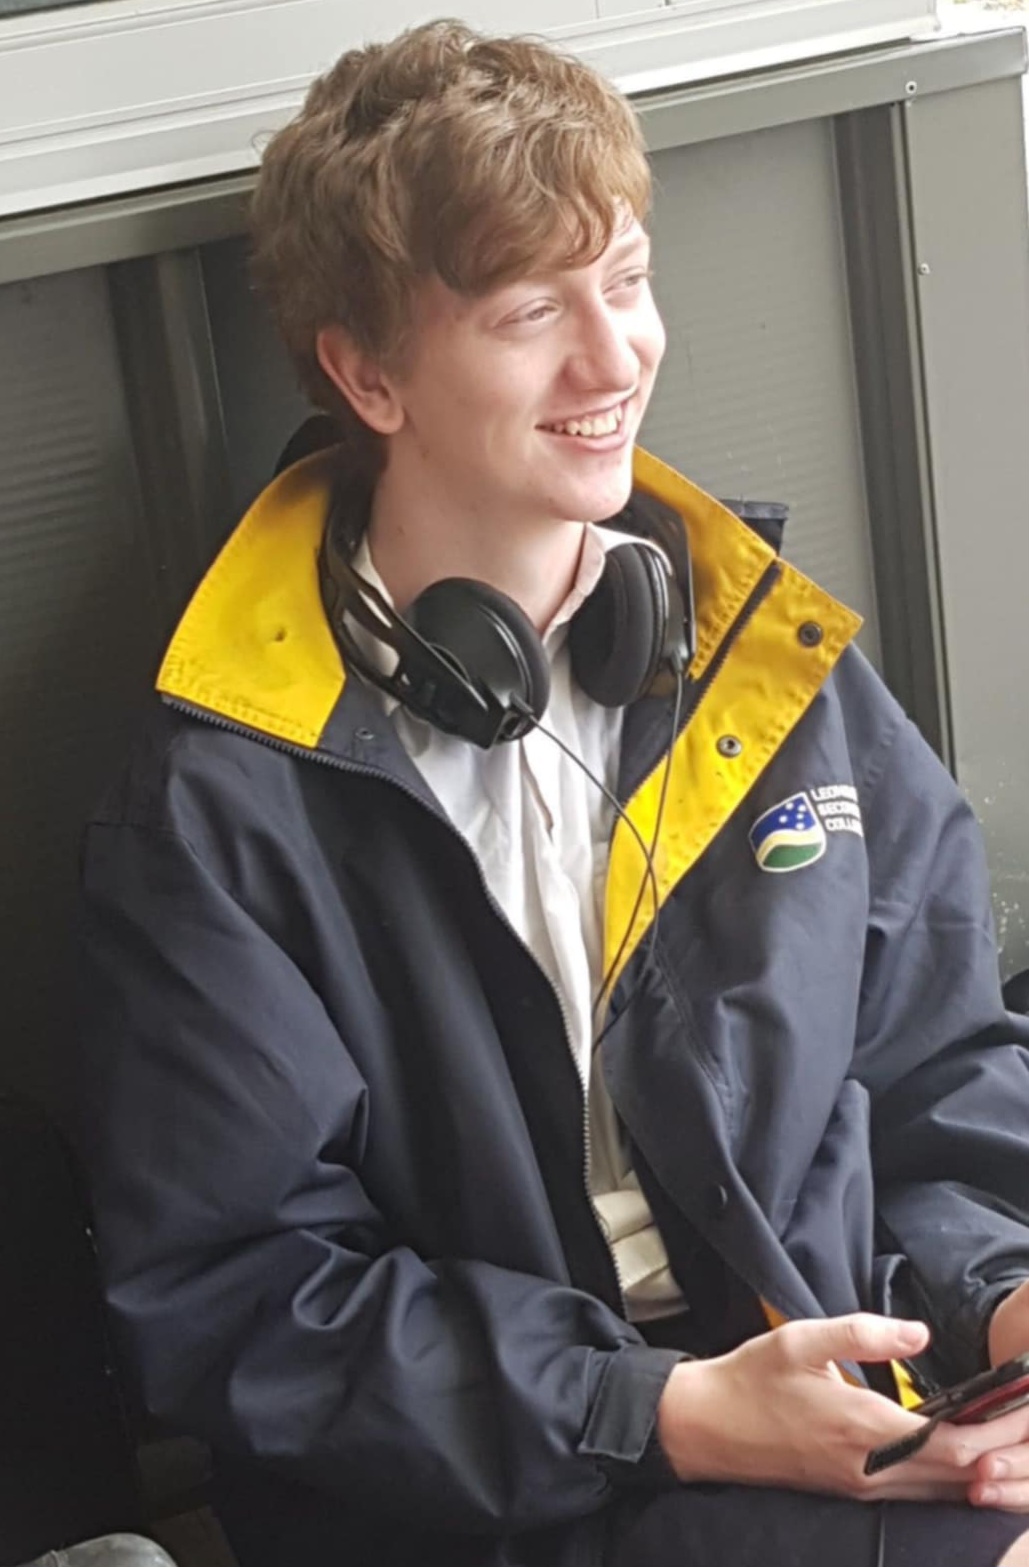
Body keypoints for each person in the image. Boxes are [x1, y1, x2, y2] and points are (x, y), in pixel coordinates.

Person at [75, 19, 1029, 1567]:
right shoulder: (219, 805)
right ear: (366, 373)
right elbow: (243, 1294)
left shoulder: (766, 672)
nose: (613, 358)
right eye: (531, 312)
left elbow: (936, 1068)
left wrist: (997, 1298)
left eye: (626, 281)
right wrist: (664, 1411)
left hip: (835, 1392)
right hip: (500, 1495)